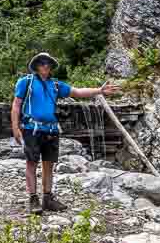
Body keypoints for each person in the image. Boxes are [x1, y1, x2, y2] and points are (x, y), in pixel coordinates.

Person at [11, 52, 119, 215]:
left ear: (51, 66)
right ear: (36, 66)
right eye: (41, 62)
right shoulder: (26, 82)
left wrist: (100, 90)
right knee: (31, 163)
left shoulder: (56, 85)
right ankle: (33, 198)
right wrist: (15, 128)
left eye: (48, 63)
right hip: (31, 128)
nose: (45, 65)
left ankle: (47, 198)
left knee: (49, 164)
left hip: (52, 130)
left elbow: (77, 92)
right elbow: (16, 105)